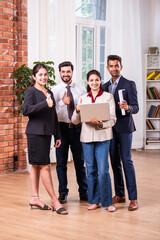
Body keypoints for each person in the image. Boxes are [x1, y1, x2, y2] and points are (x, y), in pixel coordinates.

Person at [22, 63, 68, 215]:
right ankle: (54, 200)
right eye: (40, 75)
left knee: (36, 165)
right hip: (35, 134)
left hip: (46, 133)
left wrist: (58, 135)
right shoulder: (31, 91)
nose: (43, 77)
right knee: (45, 166)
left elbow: (52, 115)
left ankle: (34, 197)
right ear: (34, 77)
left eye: (45, 74)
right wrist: (44, 103)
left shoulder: (49, 91)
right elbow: (26, 111)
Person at [72, 69, 117, 212]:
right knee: (90, 170)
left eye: (97, 80)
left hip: (103, 137)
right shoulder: (83, 97)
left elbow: (113, 119)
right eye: (91, 80)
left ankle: (108, 202)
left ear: (100, 80)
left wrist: (101, 123)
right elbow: (74, 121)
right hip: (86, 138)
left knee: (103, 171)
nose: (94, 82)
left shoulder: (108, 97)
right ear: (88, 82)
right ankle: (94, 200)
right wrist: (77, 110)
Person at [103, 55, 139, 211]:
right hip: (109, 130)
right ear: (107, 68)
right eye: (111, 66)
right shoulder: (104, 86)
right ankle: (120, 193)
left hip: (125, 129)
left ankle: (133, 198)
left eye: (116, 66)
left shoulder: (129, 84)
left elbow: (136, 107)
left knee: (127, 161)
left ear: (121, 67)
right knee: (114, 162)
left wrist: (128, 107)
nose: (114, 68)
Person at [52, 61, 88, 203]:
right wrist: (62, 103)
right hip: (61, 129)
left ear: (72, 72)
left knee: (80, 162)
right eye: (63, 71)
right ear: (59, 73)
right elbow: (50, 112)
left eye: (68, 71)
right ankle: (62, 192)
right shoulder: (55, 91)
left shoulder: (81, 89)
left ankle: (83, 192)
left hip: (77, 129)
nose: (66, 74)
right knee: (61, 163)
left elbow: (85, 108)